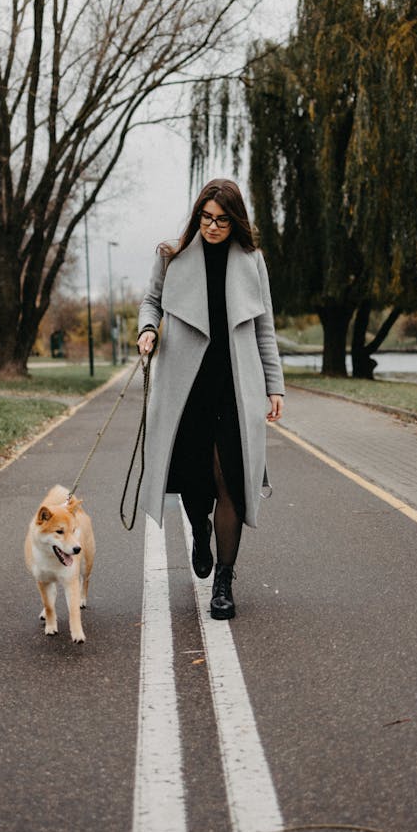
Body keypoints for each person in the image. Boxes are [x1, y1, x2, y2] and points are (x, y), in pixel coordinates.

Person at [137, 178, 284, 620]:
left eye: (221, 220)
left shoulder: (252, 261)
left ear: (234, 220)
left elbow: (265, 329)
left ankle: (224, 578)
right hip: (187, 387)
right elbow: (151, 302)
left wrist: (274, 386)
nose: (213, 227)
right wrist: (148, 329)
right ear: (197, 216)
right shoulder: (172, 257)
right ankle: (199, 531)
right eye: (206, 218)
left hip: (235, 388)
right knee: (195, 482)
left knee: (230, 480)